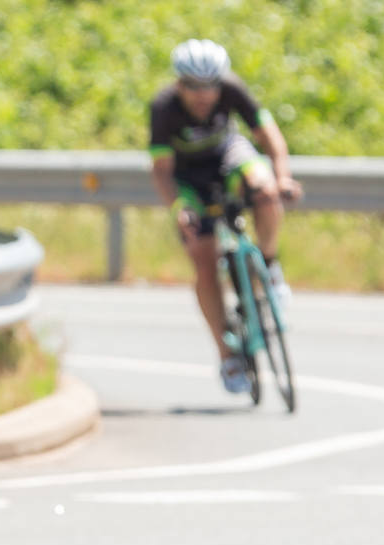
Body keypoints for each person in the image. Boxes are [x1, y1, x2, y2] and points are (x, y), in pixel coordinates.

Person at [148, 39, 303, 394]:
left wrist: (282, 178)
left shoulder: (233, 89)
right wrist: (179, 208)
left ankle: (270, 265)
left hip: (227, 158)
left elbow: (271, 138)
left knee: (264, 192)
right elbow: (161, 171)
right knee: (204, 261)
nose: (203, 95)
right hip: (189, 179)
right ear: (179, 84)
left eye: (210, 86)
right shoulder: (163, 108)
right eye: (193, 87)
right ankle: (227, 356)